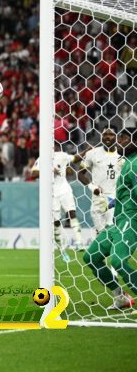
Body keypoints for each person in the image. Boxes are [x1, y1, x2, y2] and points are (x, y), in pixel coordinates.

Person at [84, 129, 136, 310]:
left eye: (124, 138)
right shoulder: (126, 162)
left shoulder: (135, 162)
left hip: (131, 218)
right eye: (119, 138)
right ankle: (120, 296)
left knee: (117, 261)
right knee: (91, 256)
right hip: (117, 218)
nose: (119, 142)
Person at [77, 128, 120, 234]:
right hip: (98, 197)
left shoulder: (122, 155)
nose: (108, 137)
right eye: (105, 134)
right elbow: (80, 174)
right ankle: (101, 249)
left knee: (110, 226)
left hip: (113, 196)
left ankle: (112, 249)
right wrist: (93, 187)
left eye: (111, 134)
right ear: (101, 136)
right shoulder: (92, 153)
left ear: (116, 137)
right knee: (100, 232)